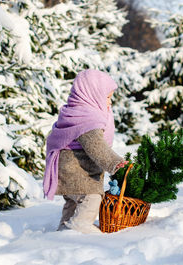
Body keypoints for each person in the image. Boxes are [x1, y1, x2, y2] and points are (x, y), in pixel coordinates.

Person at [43, 69, 128, 234]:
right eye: (108, 97)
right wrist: (117, 165)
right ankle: (80, 224)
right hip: (77, 172)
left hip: (68, 172)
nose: (110, 103)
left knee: (72, 202)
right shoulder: (88, 119)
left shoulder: (74, 112)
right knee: (91, 197)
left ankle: (64, 227)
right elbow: (97, 148)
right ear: (92, 94)